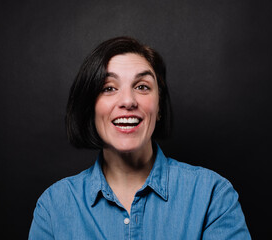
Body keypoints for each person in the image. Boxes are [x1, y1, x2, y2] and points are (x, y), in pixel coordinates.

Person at [29, 36, 251, 239]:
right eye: (108, 88)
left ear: (159, 106)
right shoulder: (53, 207)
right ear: (90, 108)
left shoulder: (212, 195)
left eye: (142, 86)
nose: (128, 101)